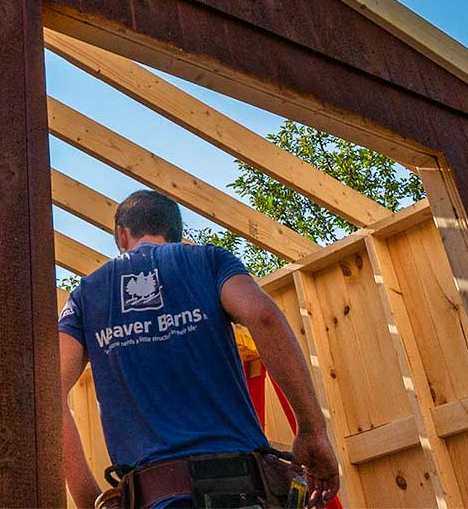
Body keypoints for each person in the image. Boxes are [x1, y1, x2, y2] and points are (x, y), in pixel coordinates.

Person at [58, 190, 339, 509]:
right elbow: (265, 317)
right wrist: (313, 429)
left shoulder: (86, 296)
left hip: (153, 500)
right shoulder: (209, 261)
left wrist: (88, 499)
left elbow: (48, 391)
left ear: (122, 235)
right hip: (239, 493)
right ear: (176, 233)